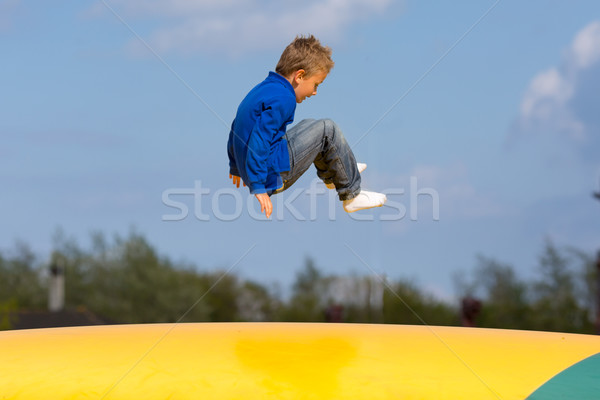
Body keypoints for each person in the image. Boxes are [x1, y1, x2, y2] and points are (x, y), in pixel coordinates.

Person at [227, 35, 387, 219]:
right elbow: (259, 139)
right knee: (327, 128)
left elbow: (237, 126)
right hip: (272, 173)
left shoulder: (265, 88)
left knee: (310, 125)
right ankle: (351, 194)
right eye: (315, 84)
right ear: (300, 76)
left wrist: (236, 166)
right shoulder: (284, 98)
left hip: (261, 167)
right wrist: (258, 185)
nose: (314, 92)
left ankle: (338, 170)